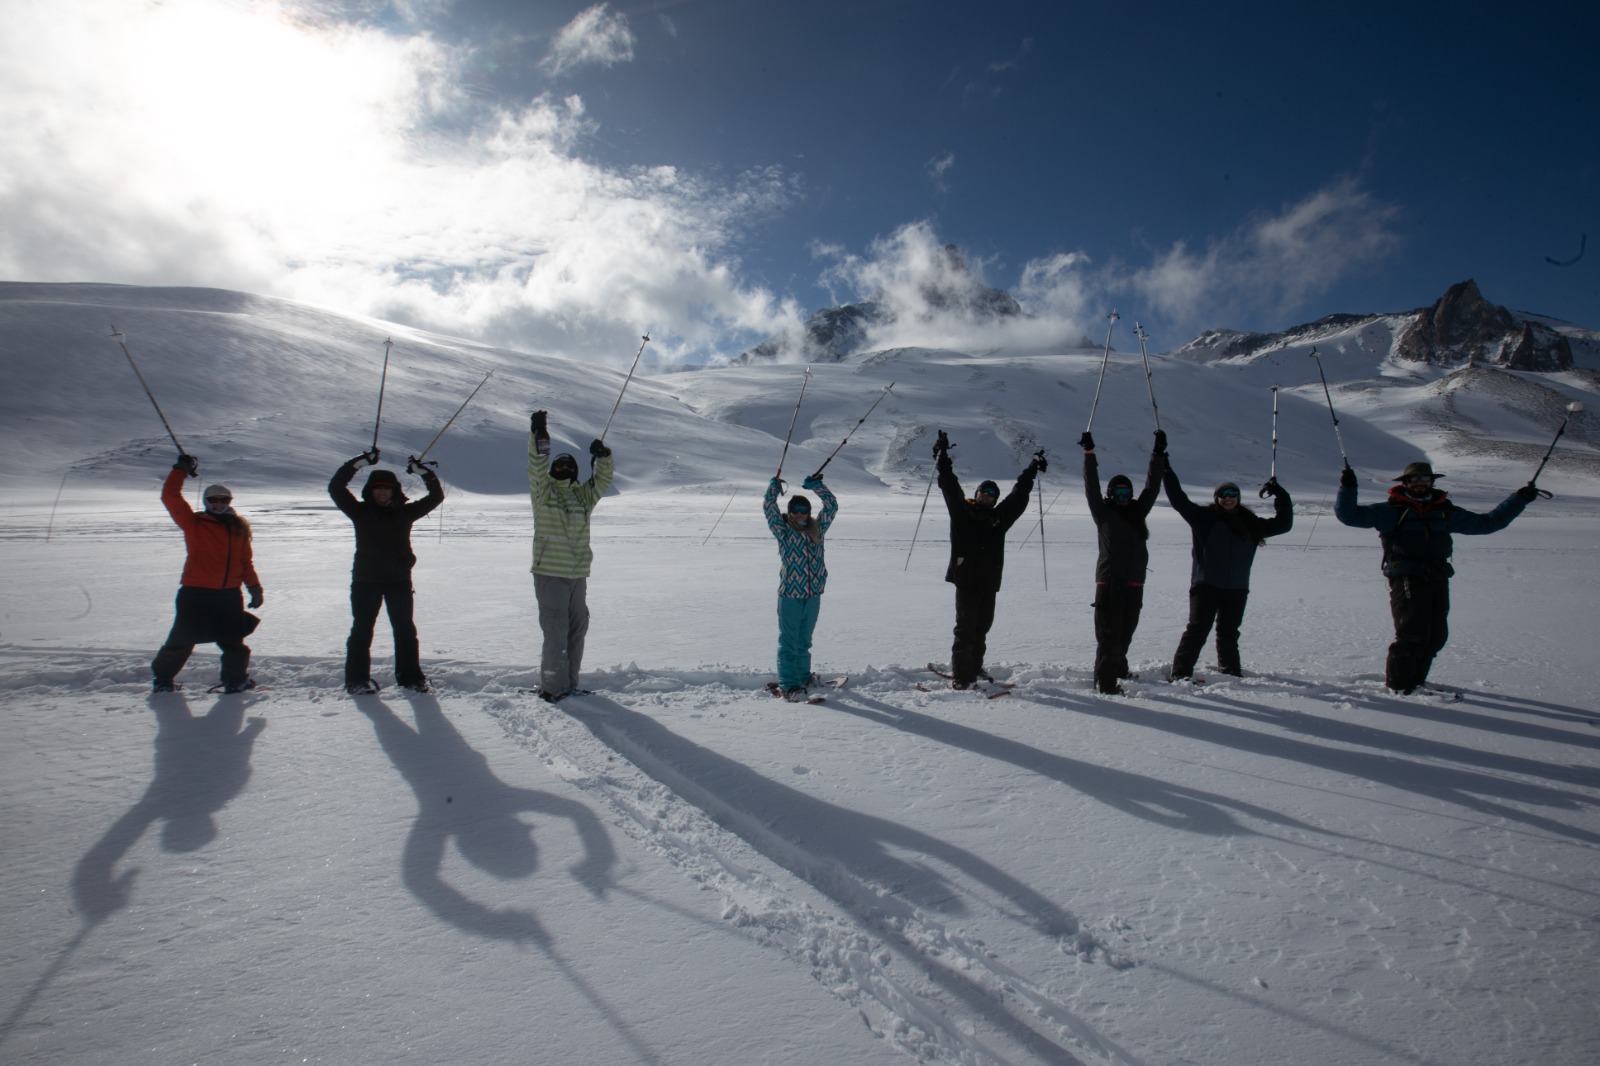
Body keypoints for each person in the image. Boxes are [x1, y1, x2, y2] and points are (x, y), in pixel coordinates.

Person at [1335, 460, 1536, 694]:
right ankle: (1400, 688)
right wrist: (1348, 488)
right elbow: (1349, 516)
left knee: (1436, 636)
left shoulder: (1444, 511)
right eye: (1414, 480)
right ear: (1405, 483)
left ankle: (1417, 684)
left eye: (1424, 479)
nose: (1419, 484)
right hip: (1406, 575)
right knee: (1412, 633)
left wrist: (1520, 499)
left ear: (1432, 482)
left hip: (1438, 575)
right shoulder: (1389, 511)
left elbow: (1487, 523)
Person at [1162, 459, 1294, 680]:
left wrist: (1281, 495)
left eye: (1232, 494)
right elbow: (1178, 499)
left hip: (1237, 588)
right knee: (1197, 631)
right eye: (1224, 494)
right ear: (1217, 498)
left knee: (1229, 634)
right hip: (1205, 586)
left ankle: (1231, 673)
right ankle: (1180, 674)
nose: (1228, 498)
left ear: (1238, 498)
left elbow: (1284, 524)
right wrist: (1166, 469)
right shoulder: (1203, 519)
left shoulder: (1252, 525)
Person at [329, 449, 445, 694]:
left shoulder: (405, 513)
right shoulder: (359, 512)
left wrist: (425, 473)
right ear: (370, 490)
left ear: (395, 490)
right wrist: (358, 463)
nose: (382, 492)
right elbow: (336, 488)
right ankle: (357, 680)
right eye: (377, 488)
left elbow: (436, 496)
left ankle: (410, 678)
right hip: (365, 581)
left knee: (405, 630)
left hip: (398, 581)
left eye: (387, 488)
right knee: (362, 630)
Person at [932, 430, 1042, 688]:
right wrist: (941, 455)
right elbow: (949, 484)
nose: (988, 496)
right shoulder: (963, 512)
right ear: (977, 493)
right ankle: (962, 677)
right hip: (967, 580)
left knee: (982, 629)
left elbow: (1018, 497)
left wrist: (1032, 469)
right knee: (965, 630)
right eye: (984, 492)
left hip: (989, 582)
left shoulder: (998, 519)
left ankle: (975, 666)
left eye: (993, 493)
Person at [151, 454, 263, 694]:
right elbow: (170, 497)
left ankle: (235, 680)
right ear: (206, 501)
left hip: (229, 595)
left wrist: (254, 587)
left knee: (233, 642)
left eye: (224, 500)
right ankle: (162, 680)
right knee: (181, 640)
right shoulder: (194, 524)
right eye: (214, 500)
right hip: (196, 594)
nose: (219, 504)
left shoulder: (239, 528)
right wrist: (179, 471)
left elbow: (245, 562)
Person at [528, 410, 613, 702]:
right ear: (553, 470)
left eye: (569, 465)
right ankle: (552, 688)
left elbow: (601, 481)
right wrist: (539, 435)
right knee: (556, 631)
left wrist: (603, 457)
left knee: (577, 628)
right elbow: (536, 465)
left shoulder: (582, 497)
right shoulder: (544, 493)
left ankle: (570, 684)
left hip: (577, 575)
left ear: (575, 471)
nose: (564, 467)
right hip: (550, 574)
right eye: (559, 464)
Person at [1079, 430, 1164, 695]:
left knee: (1125, 635)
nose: (1123, 497)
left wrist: (1158, 455)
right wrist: (1089, 454)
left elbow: (1153, 486)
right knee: (1108, 636)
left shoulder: (1139, 512)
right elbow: (1091, 486)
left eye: (1126, 492)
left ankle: (1117, 668)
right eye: (1118, 492)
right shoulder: (1102, 513)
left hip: (1135, 583)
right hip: (1110, 583)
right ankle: (1105, 684)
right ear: (1110, 494)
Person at [763, 472, 838, 701]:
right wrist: (773, 488)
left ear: (808, 511)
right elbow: (769, 507)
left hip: (813, 595)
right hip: (790, 597)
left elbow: (832, 505)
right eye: (794, 509)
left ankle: (803, 677)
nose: (798, 513)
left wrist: (817, 486)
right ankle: (789, 685)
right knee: (789, 641)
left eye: (803, 509)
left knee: (804, 641)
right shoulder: (783, 531)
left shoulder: (818, 530)